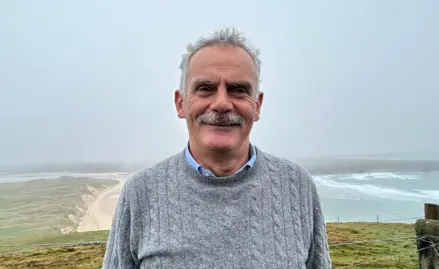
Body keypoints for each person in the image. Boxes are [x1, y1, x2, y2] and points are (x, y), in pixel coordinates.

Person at [102, 27, 331, 269]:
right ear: (180, 103)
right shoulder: (140, 193)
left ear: (257, 105)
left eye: (239, 90)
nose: (222, 103)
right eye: (205, 88)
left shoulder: (297, 186)